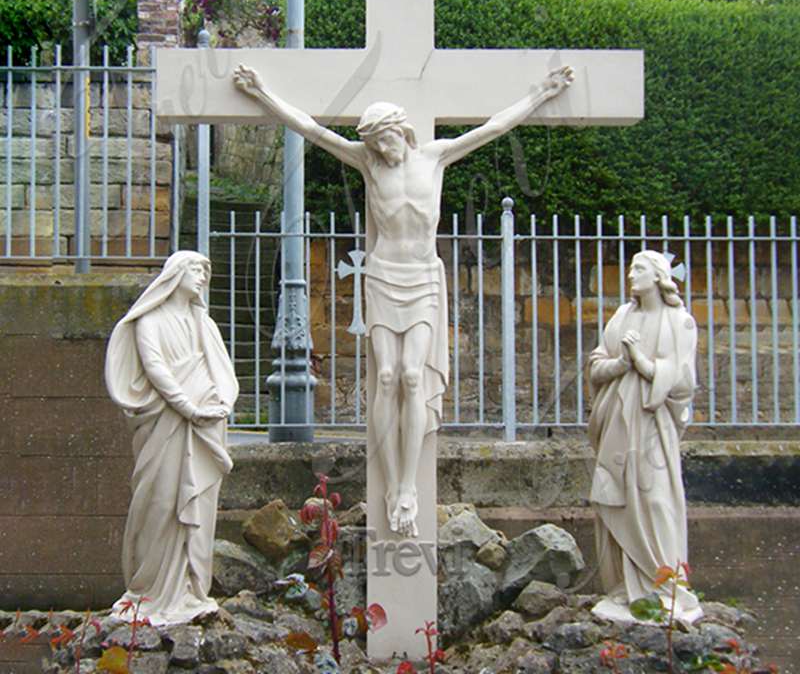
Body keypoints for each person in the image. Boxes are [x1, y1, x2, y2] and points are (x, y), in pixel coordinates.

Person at [233, 63, 573, 537]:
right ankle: (391, 483)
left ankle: (409, 485)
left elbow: (493, 127)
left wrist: (541, 94)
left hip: (422, 280)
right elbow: (309, 127)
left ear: (401, 131)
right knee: (387, 376)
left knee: (414, 376)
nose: (381, 151)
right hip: (383, 277)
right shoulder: (367, 162)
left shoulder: (435, 157)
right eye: (373, 144)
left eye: (385, 141)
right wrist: (262, 93)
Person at [105, 251, 238, 626]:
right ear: (174, 274)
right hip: (167, 422)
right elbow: (156, 369)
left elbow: (222, 371)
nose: (201, 277)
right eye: (194, 269)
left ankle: (189, 590)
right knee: (160, 502)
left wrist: (219, 404)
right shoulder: (150, 321)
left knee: (198, 508)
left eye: (205, 272)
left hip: (203, 426)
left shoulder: (203, 323)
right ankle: (148, 590)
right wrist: (188, 408)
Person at [588, 250, 702, 623]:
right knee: (614, 499)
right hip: (619, 423)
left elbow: (683, 383)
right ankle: (625, 587)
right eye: (630, 268)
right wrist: (621, 363)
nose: (630, 275)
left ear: (658, 276)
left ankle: (668, 588)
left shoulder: (679, 322)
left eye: (638, 269)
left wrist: (642, 362)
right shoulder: (622, 317)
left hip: (653, 428)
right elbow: (596, 366)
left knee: (656, 500)